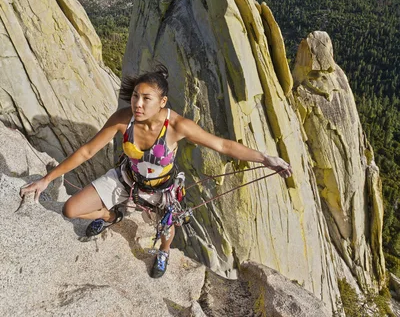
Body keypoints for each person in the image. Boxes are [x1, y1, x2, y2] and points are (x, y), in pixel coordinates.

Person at [20, 65, 293, 278]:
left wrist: (265, 158)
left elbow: (222, 144)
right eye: (135, 96)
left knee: (166, 234)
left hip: (162, 190)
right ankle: (111, 215)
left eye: (146, 98)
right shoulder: (122, 119)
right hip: (127, 179)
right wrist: (46, 180)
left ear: (162, 101)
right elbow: (86, 152)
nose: (137, 103)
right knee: (71, 210)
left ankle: (163, 253)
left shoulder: (177, 126)